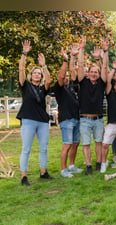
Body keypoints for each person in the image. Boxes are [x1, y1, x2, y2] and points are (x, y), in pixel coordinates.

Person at [17, 40, 52, 186]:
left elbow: (49, 79)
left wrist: (44, 66)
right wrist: (24, 54)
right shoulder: (25, 86)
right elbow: (20, 70)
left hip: (42, 121)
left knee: (43, 148)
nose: (37, 75)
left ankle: (43, 172)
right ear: (31, 75)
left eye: (39, 73)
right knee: (26, 149)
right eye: (35, 73)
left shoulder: (43, 88)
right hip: (28, 120)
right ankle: (24, 176)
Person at [77, 35, 108, 175]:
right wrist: (81, 50)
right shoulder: (83, 82)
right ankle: (88, 166)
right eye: (92, 72)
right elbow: (80, 65)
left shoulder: (101, 84)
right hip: (84, 119)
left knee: (99, 143)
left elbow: (105, 66)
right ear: (88, 73)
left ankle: (99, 163)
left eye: (96, 72)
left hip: (98, 119)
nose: (94, 74)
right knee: (86, 143)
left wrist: (104, 53)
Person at [54, 48, 82, 178]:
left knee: (75, 144)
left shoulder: (71, 88)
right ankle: (63, 169)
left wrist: (73, 56)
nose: (66, 78)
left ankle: (71, 165)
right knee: (67, 144)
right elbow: (62, 74)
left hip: (77, 119)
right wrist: (65, 60)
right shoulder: (59, 88)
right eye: (64, 76)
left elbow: (73, 71)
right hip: (66, 120)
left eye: (67, 77)